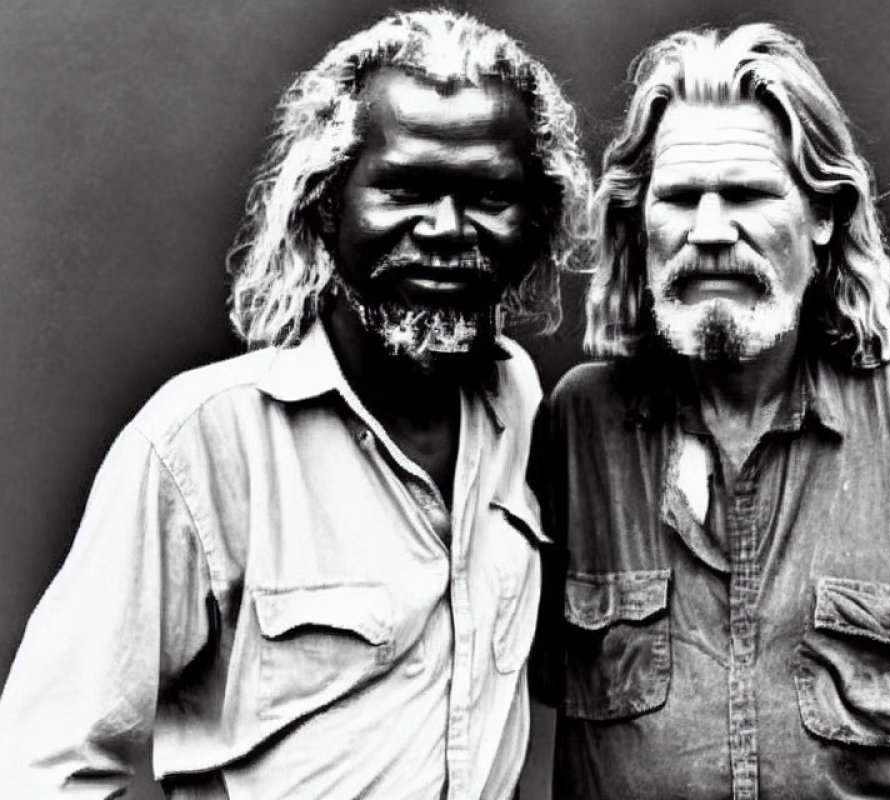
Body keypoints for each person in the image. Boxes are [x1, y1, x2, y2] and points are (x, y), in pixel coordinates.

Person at [0, 10, 589, 798]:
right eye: (406, 188)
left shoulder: (520, 406)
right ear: (324, 205)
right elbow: (41, 765)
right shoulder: (202, 443)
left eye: (488, 194)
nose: (448, 229)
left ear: (538, 220)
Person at [532, 23, 890, 799]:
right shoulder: (578, 427)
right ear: (638, 224)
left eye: (748, 194)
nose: (710, 232)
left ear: (822, 216)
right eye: (680, 198)